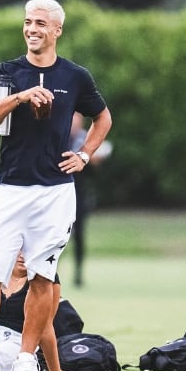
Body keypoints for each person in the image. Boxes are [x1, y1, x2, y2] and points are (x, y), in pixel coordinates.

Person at [0, 0, 112, 371]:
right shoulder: (6, 72)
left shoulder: (75, 76)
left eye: (41, 23)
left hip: (56, 190)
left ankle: (27, 358)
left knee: (43, 276)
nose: (32, 29)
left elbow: (103, 117)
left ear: (57, 30)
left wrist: (85, 154)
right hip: (10, 187)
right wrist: (19, 98)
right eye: (28, 22)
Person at [67, 113, 110, 287]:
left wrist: (91, 161)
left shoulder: (86, 139)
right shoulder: (58, 137)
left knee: (79, 238)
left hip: (78, 196)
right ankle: (49, 273)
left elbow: (95, 172)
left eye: (78, 118)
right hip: (56, 195)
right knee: (54, 237)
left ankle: (78, 274)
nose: (75, 121)